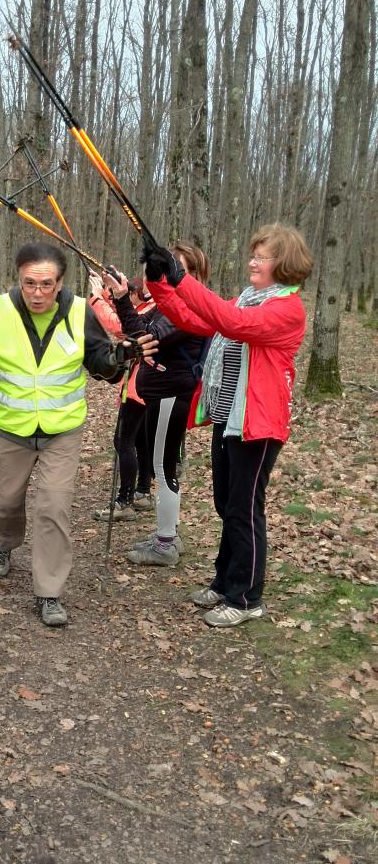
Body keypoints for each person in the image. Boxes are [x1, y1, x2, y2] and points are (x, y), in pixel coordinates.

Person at [0, 242, 155, 628]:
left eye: (46, 284)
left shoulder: (78, 312)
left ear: (60, 283)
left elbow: (101, 365)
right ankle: (4, 546)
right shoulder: (0, 310)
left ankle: (49, 592)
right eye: (29, 283)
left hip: (62, 430)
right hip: (12, 429)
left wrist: (121, 357)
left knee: (53, 507)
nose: (37, 293)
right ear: (18, 279)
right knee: (8, 502)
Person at [142, 223, 313, 626]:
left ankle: (247, 598)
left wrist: (181, 276)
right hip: (229, 415)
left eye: (262, 256)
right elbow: (196, 317)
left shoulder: (286, 309)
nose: (253, 260)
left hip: (259, 423)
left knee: (243, 508)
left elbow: (232, 323)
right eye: (253, 253)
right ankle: (224, 581)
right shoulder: (249, 298)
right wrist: (160, 283)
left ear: (283, 263)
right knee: (226, 503)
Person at [104, 241, 210, 567]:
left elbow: (147, 338)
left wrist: (123, 303)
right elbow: (138, 332)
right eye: (168, 265)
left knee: (163, 469)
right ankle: (168, 533)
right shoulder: (170, 303)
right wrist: (123, 297)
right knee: (162, 466)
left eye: (178, 267)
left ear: (193, 274)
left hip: (170, 395)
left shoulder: (188, 307)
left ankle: (165, 543)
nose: (170, 273)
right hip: (159, 394)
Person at [88, 272, 154, 521]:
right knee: (139, 440)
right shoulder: (151, 303)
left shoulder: (159, 305)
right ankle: (142, 491)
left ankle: (125, 500)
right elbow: (123, 310)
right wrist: (104, 290)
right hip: (143, 383)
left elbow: (122, 327)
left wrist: (96, 300)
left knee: (123, 441)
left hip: (141, 385)